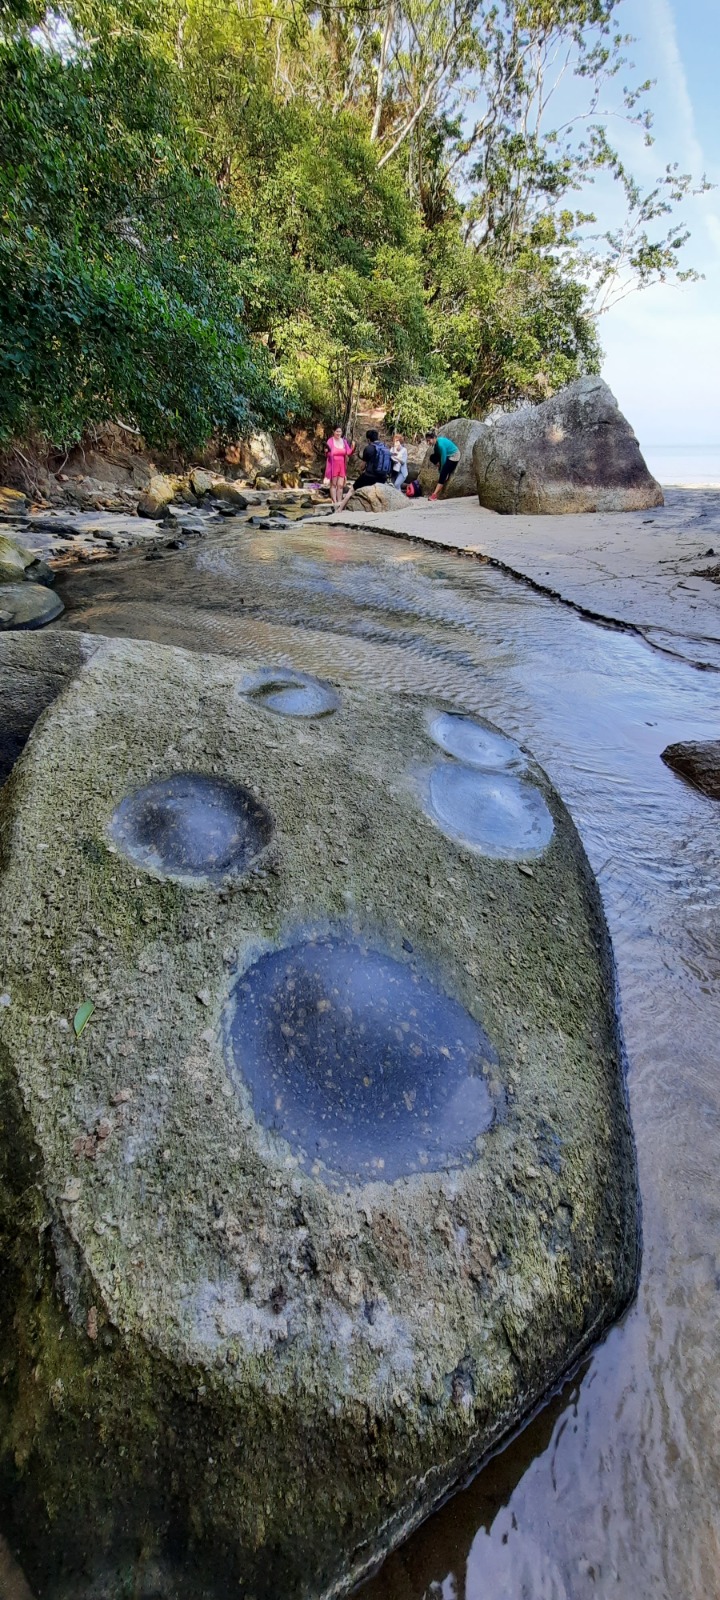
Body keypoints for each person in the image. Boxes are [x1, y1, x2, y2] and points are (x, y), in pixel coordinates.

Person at [338, 429, 392, 509]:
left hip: (370, 477)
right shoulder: (385, 448)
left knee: (352, 489)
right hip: (383, 477)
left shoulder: (369, 448)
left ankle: (340, 508)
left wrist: (360, 470)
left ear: (368, 439)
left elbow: (362, 466)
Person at [324, 427, 355, 507]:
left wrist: (353, 448)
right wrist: (326, 452)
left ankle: (340, 502)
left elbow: (348, 452)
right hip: (333, 465)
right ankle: (334, 502)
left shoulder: (344, 441)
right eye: (337, 431)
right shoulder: (330, 441)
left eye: (340, 431)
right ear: (333, 431)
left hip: (342, 466)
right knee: (333, 484)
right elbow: (327, 454)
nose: (338, 433)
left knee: (340, 485)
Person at [426, 430, 460, 499]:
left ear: (434, 438)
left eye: (429, 440)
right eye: (427, 441)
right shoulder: (436, 445)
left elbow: (443, 459)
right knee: (432, 457)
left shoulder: (441, 445)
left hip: (453, 456)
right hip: (446, 455)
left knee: (443, 473)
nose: (428, 442)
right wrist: (438, 464)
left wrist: (441, 470)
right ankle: (444, 471)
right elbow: (437, 455)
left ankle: (434, 495)